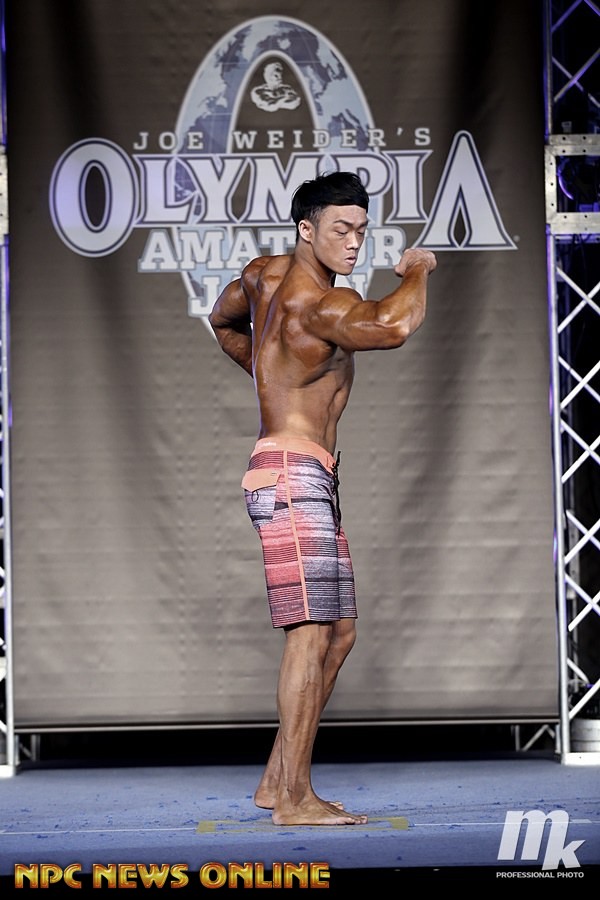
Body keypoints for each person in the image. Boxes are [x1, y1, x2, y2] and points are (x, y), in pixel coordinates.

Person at [208, 171, 436, 826]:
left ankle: (276, 780)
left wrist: (270, 372)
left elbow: (221, 318)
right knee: (311, 634)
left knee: (339, 633)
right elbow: (393, 325)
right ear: (306, 229)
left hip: (304, 474)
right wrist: (417, 269)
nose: (355, 242)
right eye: (341, 229)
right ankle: (294, 800)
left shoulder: (264, 275)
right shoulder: (321, 304)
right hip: (292, 475)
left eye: (361, 230)